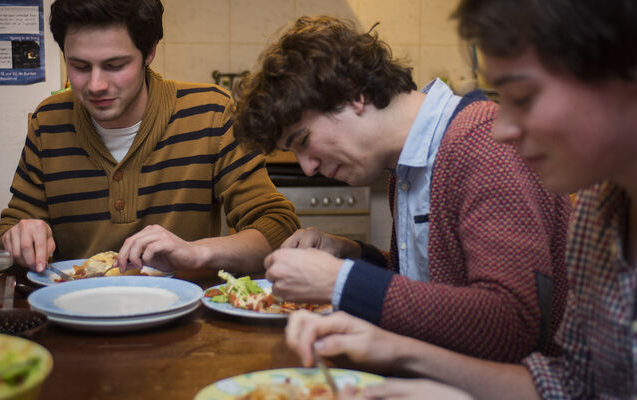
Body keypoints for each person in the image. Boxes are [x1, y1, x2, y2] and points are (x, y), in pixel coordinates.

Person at [284, 0, 637, 399]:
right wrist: (401, 354)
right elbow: (572, 385)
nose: (502, 128)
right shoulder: (601, 208)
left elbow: (512, 324)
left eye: (523, 96)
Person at [233, 16, 571, 362]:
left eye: (303, 140)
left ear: (352, 95)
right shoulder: (405, 166)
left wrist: (342, 281)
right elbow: (434, 288)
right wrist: (350, 254)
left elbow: (512, 326)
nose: (308, 167)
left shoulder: (483, 144)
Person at [0, 0, 300, 276]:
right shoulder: (49, 121)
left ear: (149, 51)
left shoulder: (212, 113)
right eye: (80, 66)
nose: (95, 85)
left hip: (186, 324)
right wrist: (18, 238)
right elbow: (4, 240)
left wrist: (197, 252)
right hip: (76, 321)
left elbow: (276, 228)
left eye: (115, 65)